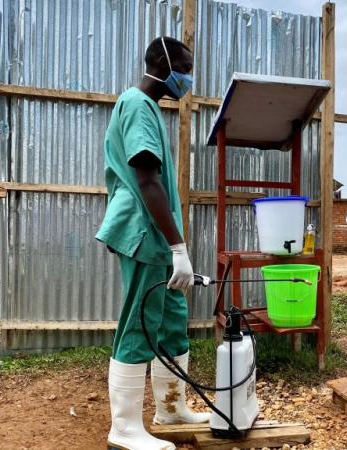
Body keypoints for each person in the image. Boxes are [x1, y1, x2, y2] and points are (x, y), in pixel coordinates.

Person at [95, 36, 208, 450]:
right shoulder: (138, 106)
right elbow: (147, 180)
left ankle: (170, 408)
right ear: (161, 64)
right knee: (139, 321)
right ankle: (123, 429)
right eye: (184, 68)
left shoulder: (150, 110)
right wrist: (179, 248)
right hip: (144, 234)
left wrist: (177, 247)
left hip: (159, 237)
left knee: (173, 321)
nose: (188, 78)